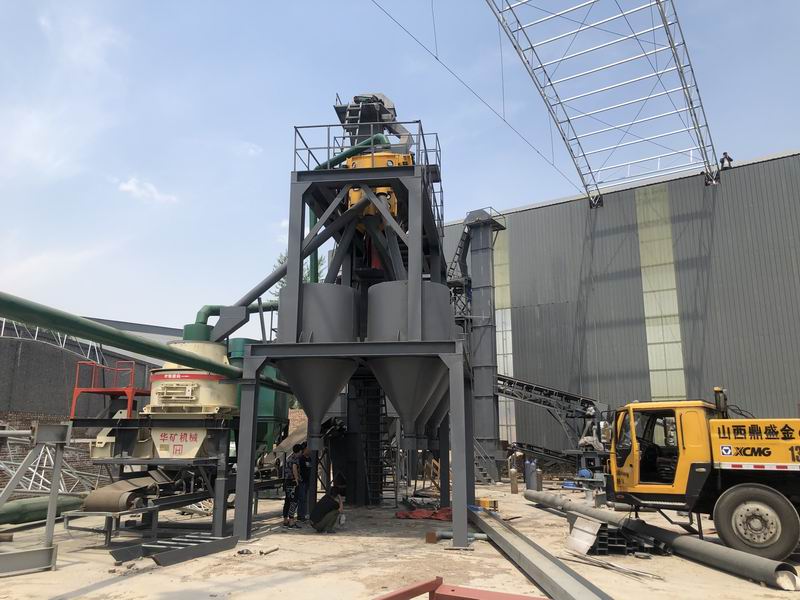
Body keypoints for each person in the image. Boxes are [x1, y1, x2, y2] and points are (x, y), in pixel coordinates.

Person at [282, 444, 303, 529]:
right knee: (294, 501)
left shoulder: (289, 457)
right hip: (293, 482)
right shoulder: (295, 459)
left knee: (287, 501)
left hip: (287, 481)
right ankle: (291, 521)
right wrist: (297, 479)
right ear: (300, 451)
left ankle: (285, 520)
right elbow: (294, 468)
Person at [296, 443, 311, 522]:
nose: (309, 450)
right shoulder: (301, 459)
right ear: (304, 449)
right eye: (308, 448)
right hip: (302, 481)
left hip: (307, 481)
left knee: (305, 498)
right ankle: (300, 515)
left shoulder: (309, 459)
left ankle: (303, 514)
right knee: (302, 498)